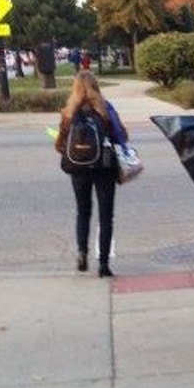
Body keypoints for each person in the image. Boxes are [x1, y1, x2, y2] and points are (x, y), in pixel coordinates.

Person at [54, 70, 127, 278]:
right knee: (106, 216)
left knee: (82, 212)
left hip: (78, 168)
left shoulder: (68, 112)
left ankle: (82, 253)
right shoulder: (105, 108)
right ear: (96, 86)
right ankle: (104, 265)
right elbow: (121, 135)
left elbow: (60, 144)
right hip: (104, 167)